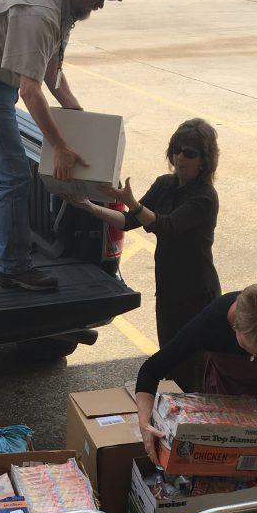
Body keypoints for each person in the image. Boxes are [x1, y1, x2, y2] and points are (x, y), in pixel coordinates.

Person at [0, 0, 122, 293]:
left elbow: (51, 72)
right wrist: (60, 146)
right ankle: (14, 267)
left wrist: (79, 116)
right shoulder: (41, 11)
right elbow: (31, 91)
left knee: (3, 168)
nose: (100, 4)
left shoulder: (65, 8)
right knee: (15, 172)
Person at [69, 118, 221, 390]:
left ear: (204, 160)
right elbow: (130, 221)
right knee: (171, 363)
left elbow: (166, 226)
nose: (180, 158)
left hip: (197, 295)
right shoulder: (165, 184)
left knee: (193, 370)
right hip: (169, 290)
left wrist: (133, 202)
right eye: (176, 150)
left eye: (190, 153)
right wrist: (90, 207)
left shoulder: (205, 197)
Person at [134, 282, 257, 500]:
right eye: (249, 347)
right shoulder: (212, 321)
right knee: (215, 459)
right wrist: (145, 424)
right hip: (226, 390)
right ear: (235, 326)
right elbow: (151, 370)